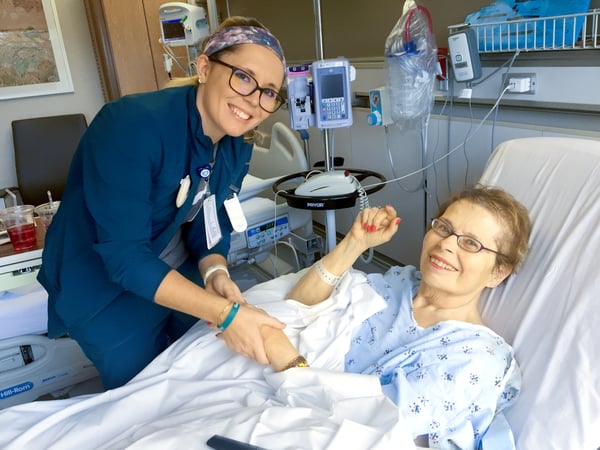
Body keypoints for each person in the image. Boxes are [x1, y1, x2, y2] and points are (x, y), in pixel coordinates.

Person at [38, 16, 289, 389]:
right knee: (147, 393)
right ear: (205, 67)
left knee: (204, 373)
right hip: (104, 287)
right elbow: (123, 257)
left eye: (269, 92)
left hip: (176, 268)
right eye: (244, 77)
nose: (253, 100)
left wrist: (214, 270)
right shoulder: (131, 125)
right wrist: (226, 314)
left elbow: (211, 216)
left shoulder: (237, 144)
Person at [260, 185, 532, 449]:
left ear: (498, 272)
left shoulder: (480, 357)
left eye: (471, 243)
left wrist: (281, 353)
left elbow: (377, 422)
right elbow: (297, 307)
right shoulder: (399, 282)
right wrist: (355, 243)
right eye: (444, 228)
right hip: (281, 402)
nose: (446, 244)